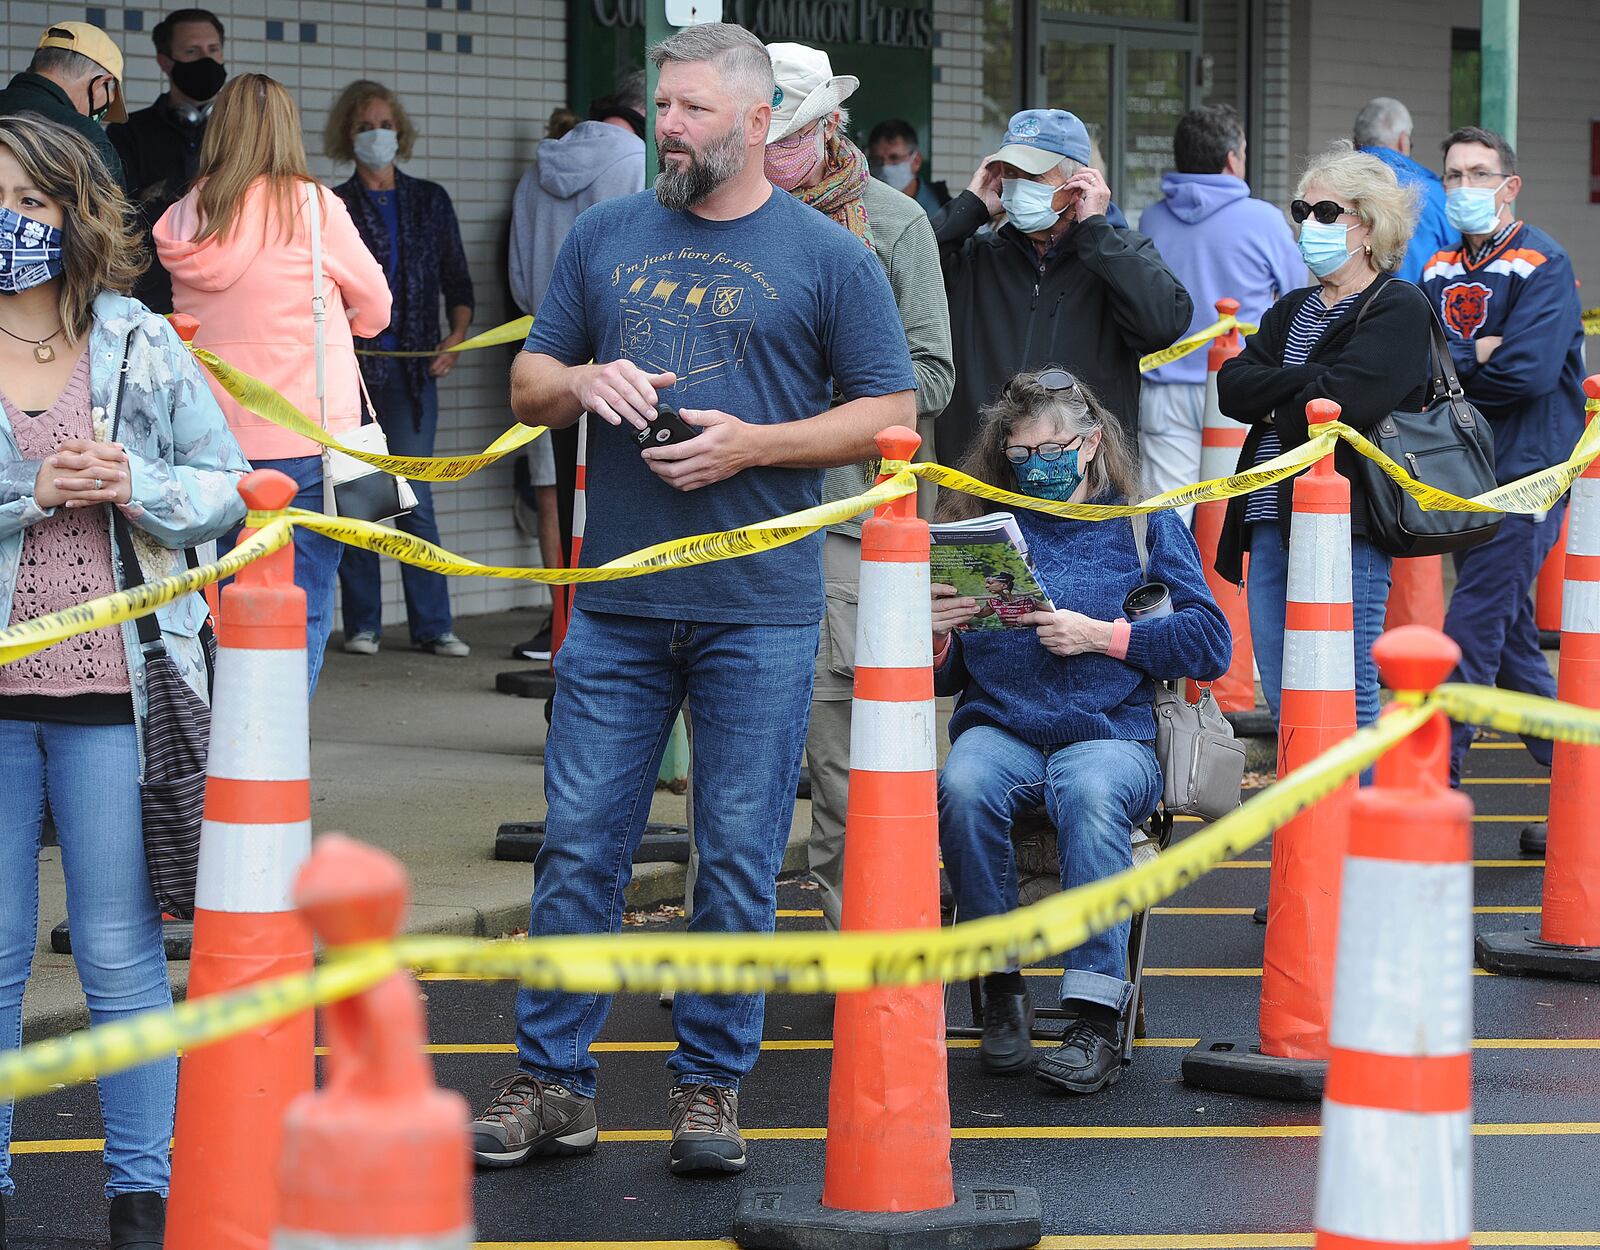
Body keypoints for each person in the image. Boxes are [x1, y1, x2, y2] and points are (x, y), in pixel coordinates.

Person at [473, 21, 915, 1178]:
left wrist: (753, 445)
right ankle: (553, 1082)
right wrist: (578, 377)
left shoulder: (829, 256)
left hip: (759, 603)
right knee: (579, 846)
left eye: (693, 110)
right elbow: (524, 383)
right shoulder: (607, 232)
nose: (669, 127)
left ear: (759, 122)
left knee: (733, 853)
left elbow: (889, 407)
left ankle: (708, 1086)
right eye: (663, 105)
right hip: (616, 601)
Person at [0, 113, 248, 1249]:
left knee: (117, 947)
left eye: (32, 200)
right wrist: (30, 491)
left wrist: (134, 478)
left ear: (75, 213)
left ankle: (142, 1192)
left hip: (118, 687)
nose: (11, 221)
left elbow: (226, 487)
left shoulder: (141, 342)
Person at [933, 368, 1230, 1090]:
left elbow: (1209, 643)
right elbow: (945, 677)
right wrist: (933, 633)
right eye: (1021, 455)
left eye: (1052, 449)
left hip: (1111, 732)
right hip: (1001, 725)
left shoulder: (1140, 523)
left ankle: (1094, 1016)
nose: (1037, 466)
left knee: (1090, 791)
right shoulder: (979, 522)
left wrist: (1106, 637)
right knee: (963, 786)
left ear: (1092, 443)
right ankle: (999, 988)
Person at [759, 42, 953, 931]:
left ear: (829, 127)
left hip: (847, 524)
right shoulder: (713, 218)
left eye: (786, 134)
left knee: (844, 757)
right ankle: (721, 967)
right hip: (739, 515)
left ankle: (860, 947)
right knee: (738, 761)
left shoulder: (892, 224)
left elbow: (933, 377)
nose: (767, 152)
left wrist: (814, 404)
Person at [154, 73, 392, 694]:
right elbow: (377, 308)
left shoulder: (184, 215)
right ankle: (270, 761)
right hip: (307, 445)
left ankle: (218, 755)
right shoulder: (312, 207)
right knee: (302, 603)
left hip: (208, 448)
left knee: (218, 603)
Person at [1216, 146, 1431, 735]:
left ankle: (1351, 825)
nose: (1309, 224)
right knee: (1286, 685)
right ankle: (1302, 822)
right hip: (1267, 518)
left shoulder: (1398, 307)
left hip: (1348, 522)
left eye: (1327, 212)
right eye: (1302, 210)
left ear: (1370, 225)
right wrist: (1302, 388)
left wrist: (1278, 394)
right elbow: (1232, 390)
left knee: (1345, 682)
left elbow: (1345, 405)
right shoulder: (1292, 307)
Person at [1421, 126, 1585, 785]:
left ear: (1509, 187)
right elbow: (1422, 366)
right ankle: (1578, 775)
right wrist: (1475, 353)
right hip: (1464, 473)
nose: (1465, 187)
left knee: (1473, 620)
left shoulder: (1544, 262)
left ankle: (1438, 774)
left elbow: (1528, 373)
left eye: (1479, 174)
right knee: (1511, 635)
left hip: (1529, 474)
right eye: (1454, 176)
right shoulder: (1437, 268)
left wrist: (1460, 366)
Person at [934, 108, 1192, 471]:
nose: (1018, 184)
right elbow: (902, 277)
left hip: (1085, 488)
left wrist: (1096, 233)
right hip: (982, 483)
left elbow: (1165, 321)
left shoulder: (1116, 252)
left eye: (1033, 175)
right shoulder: (976, 258)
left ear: (1079, 183)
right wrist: (969, 208)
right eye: (1010, 173)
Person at [326, 79, 476, 660]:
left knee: (417, 497)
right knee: (362, 495)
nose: (378, 136)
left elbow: (458, 282)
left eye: (386, 125)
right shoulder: (333, 203)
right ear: (348, 135)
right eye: (366, 126)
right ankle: (363, 624)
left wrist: (455, 338)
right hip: (356, 374)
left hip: (415, 376)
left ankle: (434, 625)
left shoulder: (429, 199)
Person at [508, 72, 646, 662]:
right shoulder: (641, 162)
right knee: (613, 500)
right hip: (623, 361)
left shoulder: (536, 169)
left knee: (554, 498)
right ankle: (603, 637)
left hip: (544, 354)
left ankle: (559, 622)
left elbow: (515, 269)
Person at [1137, 104, 1304, 519]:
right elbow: (1299, 298)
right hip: (1241, 385)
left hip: (1163, 387)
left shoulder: (1151, 220)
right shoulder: (1264, 220)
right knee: (1230, 514)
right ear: (1232, 159)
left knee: (1166, 514)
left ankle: (1167, 587)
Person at [108, 8, 227, 313]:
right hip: (153, 303)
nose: (206, 59)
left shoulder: (237, 133)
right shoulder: (128, 133)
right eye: (192, 51)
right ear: (165, 61)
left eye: (213, 50)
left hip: (225, 299)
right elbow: (119, 221)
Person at [0, 22, 126, 182]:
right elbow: (111, 206)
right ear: (100, 84)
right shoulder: (87, 138)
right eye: (108, 103)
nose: (103, 113)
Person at [1354, 97, 1454, 287]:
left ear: (1355, 142)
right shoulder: (1434, 194)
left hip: (1349, 310)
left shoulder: (1338, 186)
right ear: (1403, 141)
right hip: (1422, 309)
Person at [866, 117, 948, 217]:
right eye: (877, 159)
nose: (884, 167)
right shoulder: (866, 207)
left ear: (916, 161)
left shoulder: (941, 210)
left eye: (894, 158)